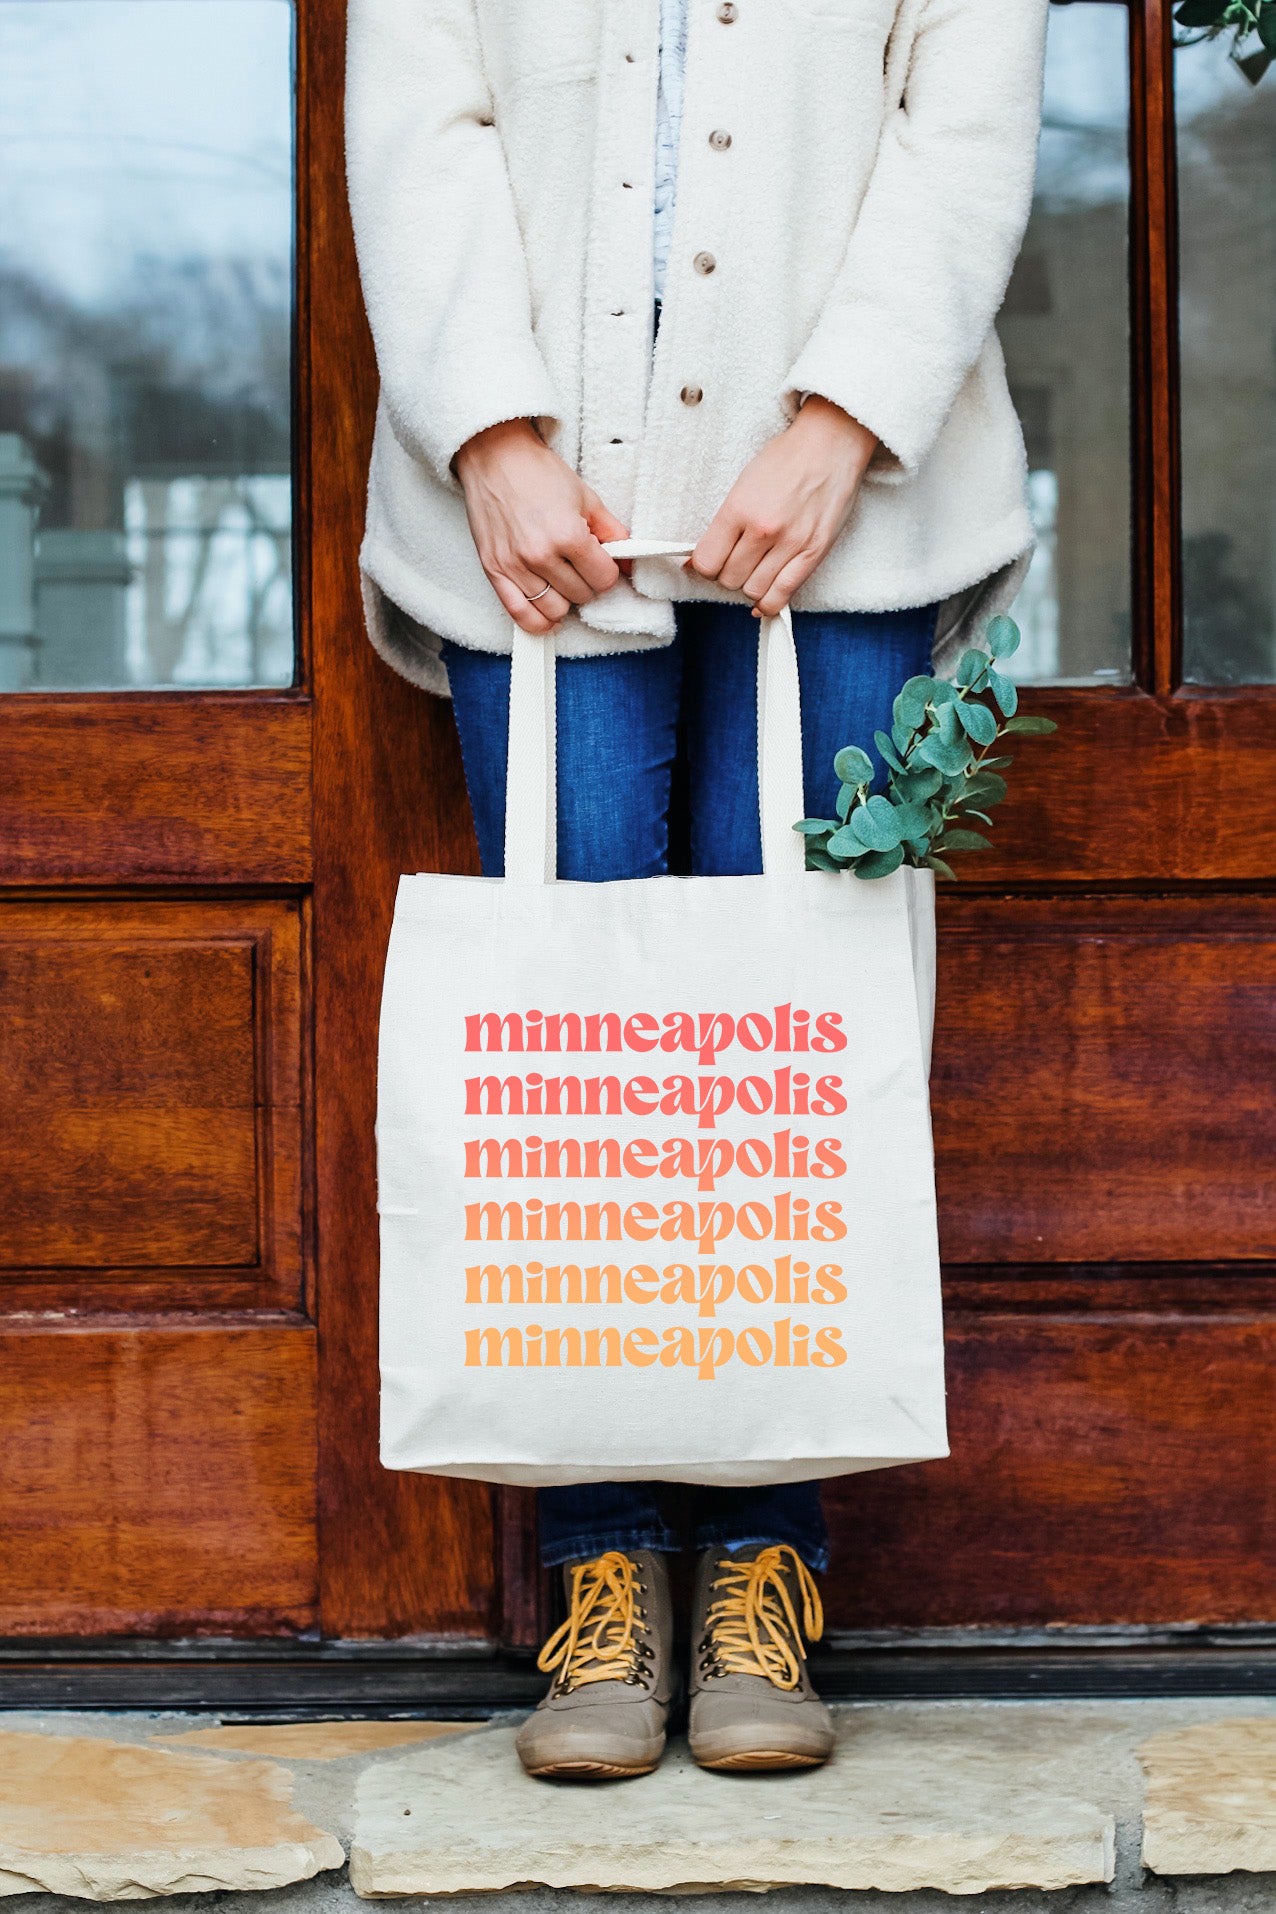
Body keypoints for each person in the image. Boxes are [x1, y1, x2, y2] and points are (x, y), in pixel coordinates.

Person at [346, 0, 1048, 1780]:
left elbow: (958, 127)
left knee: (784, 1058)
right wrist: (489, 437)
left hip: (856, 508)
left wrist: (840, 425)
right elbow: (426, 123)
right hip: (536, 514)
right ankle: (600, 1575)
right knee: (576, 1069)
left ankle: (764, 1570)